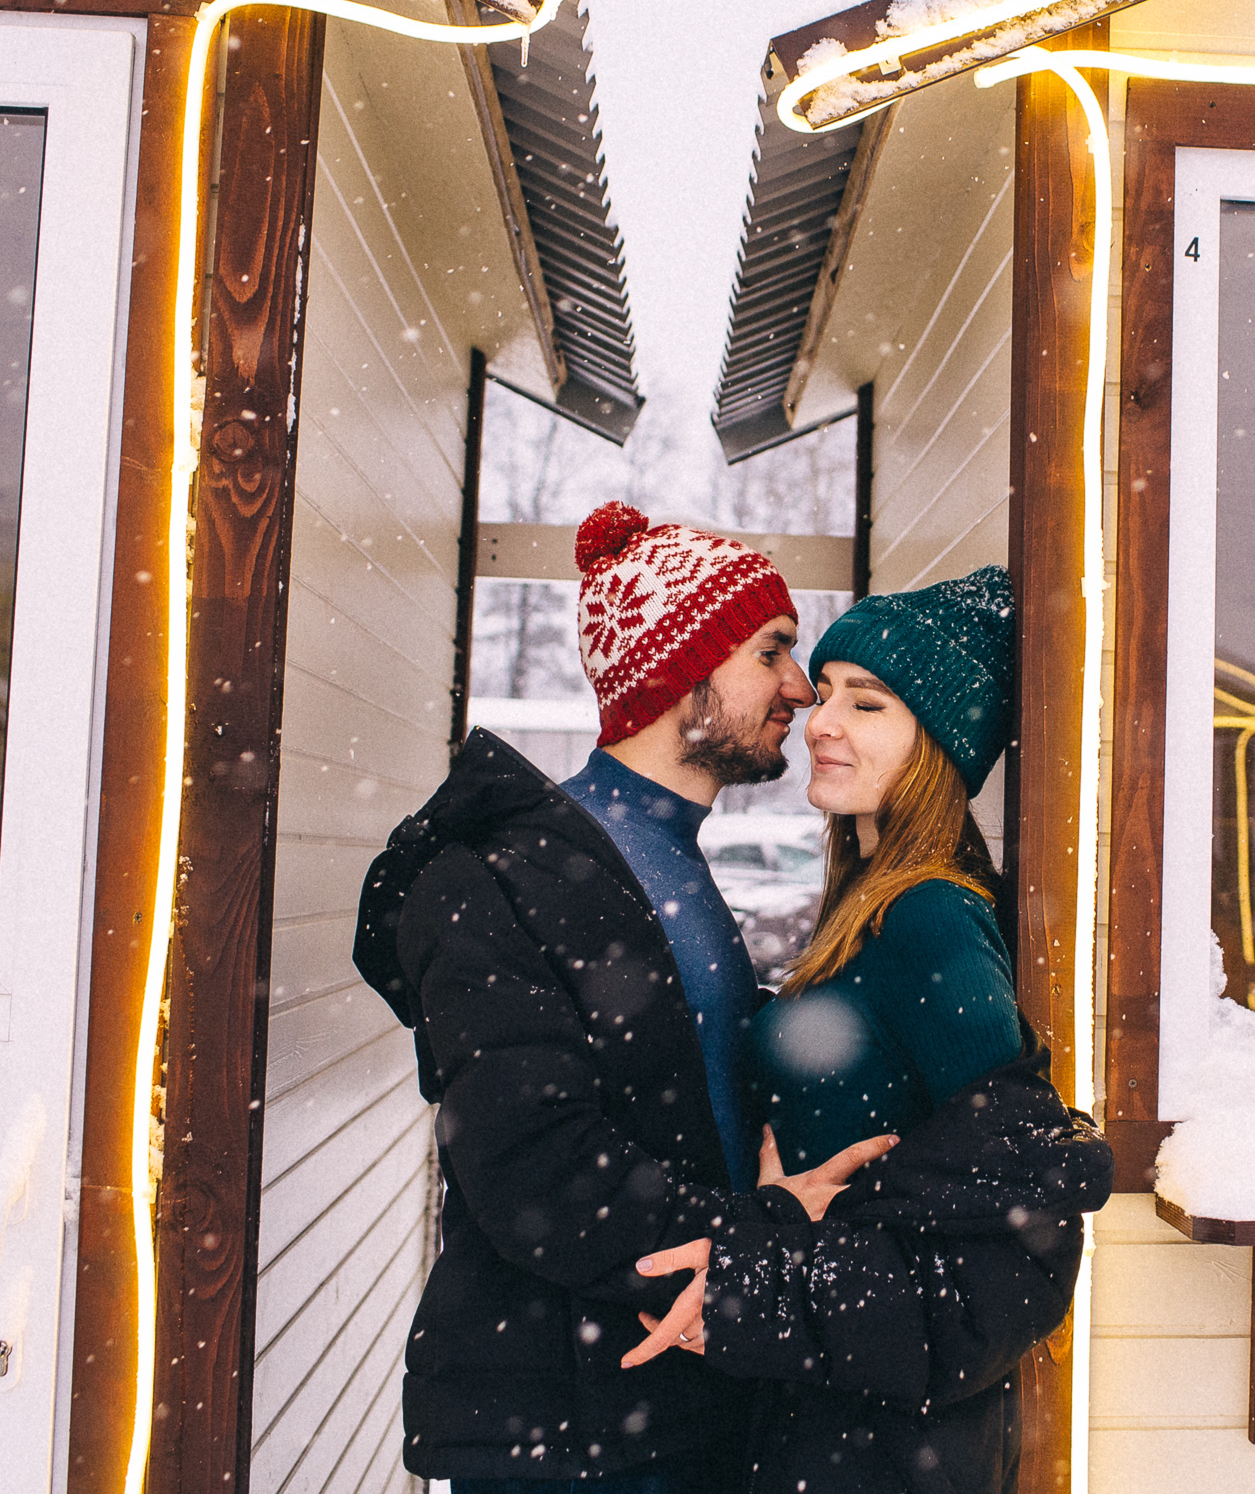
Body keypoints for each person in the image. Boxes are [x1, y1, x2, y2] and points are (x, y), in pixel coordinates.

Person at [352, 502, 890, 1493]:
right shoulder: (500, 877)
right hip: (567, 1432)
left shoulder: (666, 865)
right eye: (771, 650)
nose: (798, 686)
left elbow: (684, 1096)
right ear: (680, 665)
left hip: (678, 1402)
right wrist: (756, 1238)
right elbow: (538, 1168)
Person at [619, 565, 1114, 1494]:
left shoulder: (929, 915)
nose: (820, 721)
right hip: (835, 1410)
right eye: (828, 691)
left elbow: (1015, 1219)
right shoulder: (869, 908)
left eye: (869, 702)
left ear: (940, 745)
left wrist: (768, 1280)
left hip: (886, 1444)